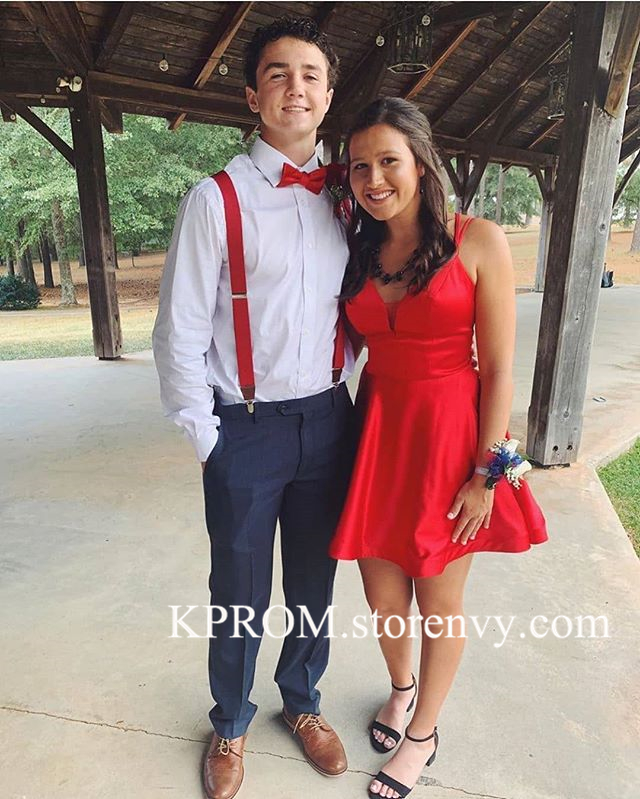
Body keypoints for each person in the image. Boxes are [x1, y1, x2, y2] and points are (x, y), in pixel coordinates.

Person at [152, 17, 356, 799]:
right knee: (238, 588)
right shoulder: (217, 199)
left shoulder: (351, 195)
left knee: (313, 580)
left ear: (328, 95)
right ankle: (232, 720)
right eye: (278, 74)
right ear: (252, 95)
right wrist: (208, 436)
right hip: (244, 426)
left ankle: (301, 700)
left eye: (310, 75)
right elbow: (179, 328)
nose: (295, 88)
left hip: (328, 419)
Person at [329, 97, 548, 799]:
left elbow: (501, 367)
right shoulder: (356, 248)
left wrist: (489, 473)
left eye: (388, 161)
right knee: (381, 590)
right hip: (377, 433)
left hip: (450, 439)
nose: (374, 178)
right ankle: (400, 688)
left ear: (422, 164)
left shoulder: (478, 239)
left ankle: (422, 733)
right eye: (359, 166)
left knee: (438, 597)